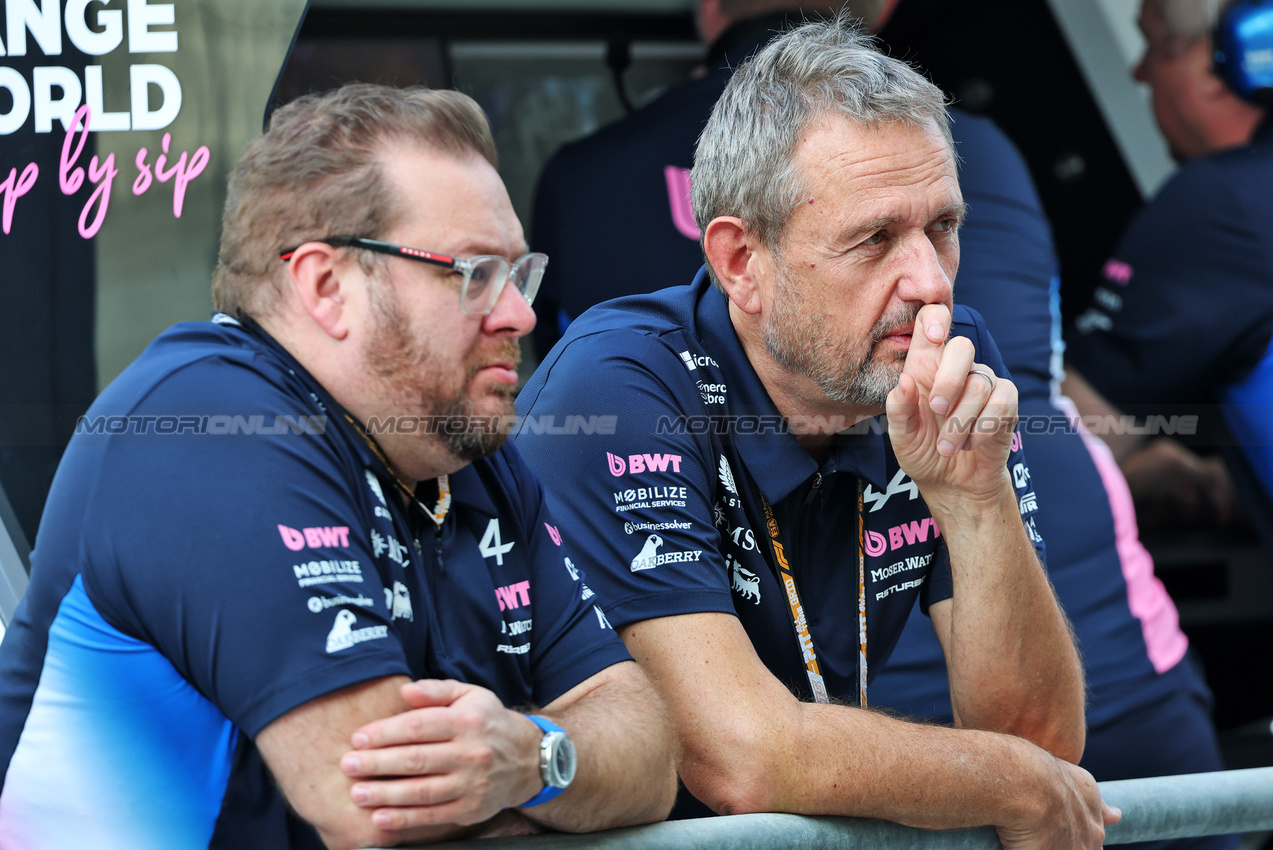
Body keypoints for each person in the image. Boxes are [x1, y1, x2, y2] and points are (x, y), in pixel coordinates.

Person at [533, 5, 1232, 848]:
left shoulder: (945, 355)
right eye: (874, 240)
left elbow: (1043, 740)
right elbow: (740, 757)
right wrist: (1004, 782)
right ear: (740, 263)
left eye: (941, 228)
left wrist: (975, 502)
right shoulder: (620, 383)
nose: (929, 284)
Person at [0, 84, 677, 850]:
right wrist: (566, 771)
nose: (518, 314)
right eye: (474, 273)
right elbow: (380, 809)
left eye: (518, 276)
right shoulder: (211, 423)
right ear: (325, 287)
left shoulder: (471, 456)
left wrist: (531, 756)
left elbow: (650, 756)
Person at [1064, 0, 1273, 533]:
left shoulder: (1220, 203)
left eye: (1154, 45)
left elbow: (1063, 451)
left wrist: (1131, 479)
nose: (1139, 71)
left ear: (1216, 67)